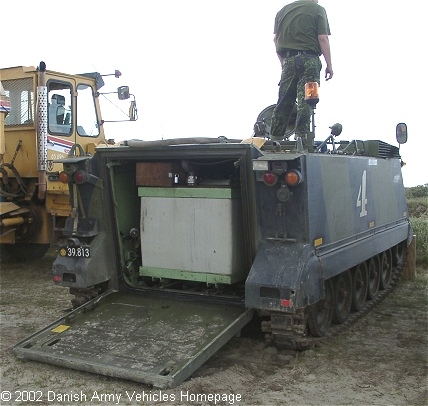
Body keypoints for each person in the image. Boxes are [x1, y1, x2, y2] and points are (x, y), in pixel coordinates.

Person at [270, 0, 333, 142]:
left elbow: (276, 40)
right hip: (309, 60)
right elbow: (322, 38)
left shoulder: (283, 11)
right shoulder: (317, 9)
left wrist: (284, 63)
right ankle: (301, 139)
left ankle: (275, 140)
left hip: (288, 60)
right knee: (307, 100)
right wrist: (329, 65)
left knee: (284, 101)